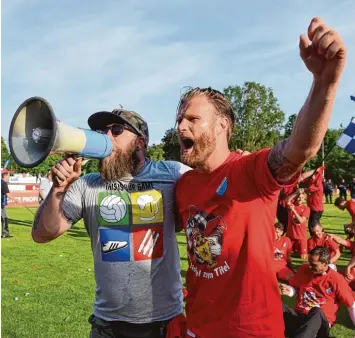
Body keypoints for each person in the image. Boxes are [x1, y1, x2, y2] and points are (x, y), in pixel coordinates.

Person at [175, 17, 347, 338]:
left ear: (222, 125)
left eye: (192, 119)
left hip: (251, 330)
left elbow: (299, 149)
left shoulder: (249, 170)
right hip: (197, 328)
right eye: (178, 119)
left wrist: (325, 84)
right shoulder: (183, 186)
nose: (180, 127)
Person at [32, 108, 190, 338]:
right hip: (108, 327)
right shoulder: (86, 185)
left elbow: (212, 186)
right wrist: (59, 189)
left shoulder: (172, 174)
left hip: (165, 324)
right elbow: (42, 234)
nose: (105, 137)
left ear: (140, 143)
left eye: (116, 131)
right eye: (100, 131)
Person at [280, 246, 355, 338]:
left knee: (316, 311)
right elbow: (297, 289)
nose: (310, 266)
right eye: (309, 263)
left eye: (314, 265)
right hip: (300, 316)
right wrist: (291, 291)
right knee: (278, 305)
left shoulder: (336, 279)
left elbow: (351, 305)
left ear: (325, 263)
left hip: (319, 323)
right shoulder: (304, 269)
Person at [286, 191, 310, 260]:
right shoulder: (292, 205)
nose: (300, 199)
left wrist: (294, 211)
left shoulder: (306, 208)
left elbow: (301, 221)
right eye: (299, 197)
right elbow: (287, 200)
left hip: (301, 236)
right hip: (290, 236)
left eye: (302, 198)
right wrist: (296, 192)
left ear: (304, 199)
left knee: (303, 257)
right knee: (287, 255)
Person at [303, 166, 325, 231]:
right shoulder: (312, 183)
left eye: (313, 176)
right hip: (313, 208)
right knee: (314, 225)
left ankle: (318, 237)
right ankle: (320, 235)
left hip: (316, 209)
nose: (312, 177)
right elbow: (305, 180)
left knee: (312, 227)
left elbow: (322, 168)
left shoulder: (317, 185)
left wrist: (318, 170)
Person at [1, 172, 12, 238]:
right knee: (5, 218)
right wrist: (16, 200)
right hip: (1, 204)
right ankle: (5, 233)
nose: (9, 178)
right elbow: (8, 194)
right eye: (8, 177)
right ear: (5, 176)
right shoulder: (4, 183)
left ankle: (5, 233)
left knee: (4, 218)